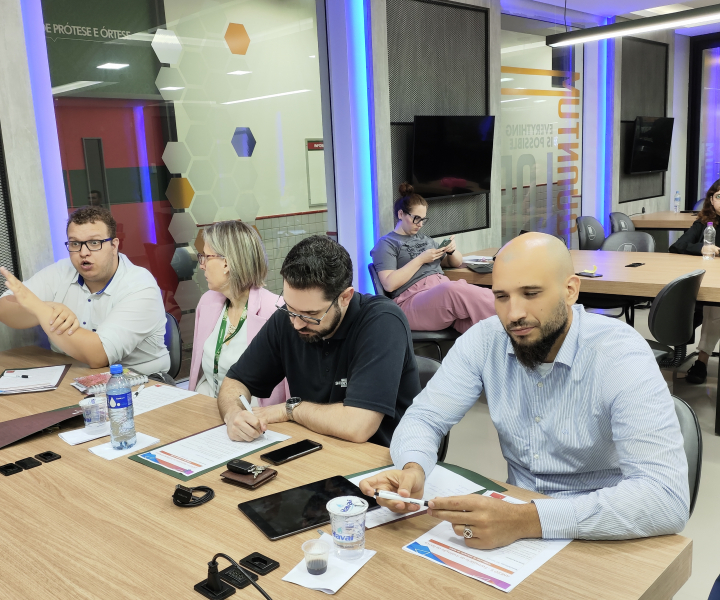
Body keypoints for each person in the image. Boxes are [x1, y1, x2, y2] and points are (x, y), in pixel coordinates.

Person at [360, 232, 689, 548]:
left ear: (570, 290)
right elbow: (425, 418)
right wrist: (413, 468)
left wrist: (526, 520)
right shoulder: (484, 340)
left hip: (602, 526)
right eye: (501, 297)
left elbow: (665, 498)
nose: (513, 314)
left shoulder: (619, 355)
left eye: (531, 294)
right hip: (515, 523)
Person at [217, 235, 420, 447]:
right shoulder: (287, 319)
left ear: (345, 297)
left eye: (311, 315)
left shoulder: (383, 321)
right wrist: (233, 415)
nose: (296, 324)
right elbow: (235, 381)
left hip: (380, 456)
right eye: (290, 309)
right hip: (315, 446)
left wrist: (290, 409)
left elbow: (357, 426)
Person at [0, 206, 169, 374]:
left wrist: (39, 308)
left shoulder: (139, 285)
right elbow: (1, 310)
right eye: (75, 244)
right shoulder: (61, 271)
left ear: (114, 246)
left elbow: (98, 356)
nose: (83, 252)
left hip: (140, 380)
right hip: (73, 374)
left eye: (94, 243)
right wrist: (49, 307)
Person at [370, 183, 495, 333]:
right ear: (401, 214)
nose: (420, 224)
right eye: (416, 218)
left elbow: (455, 262)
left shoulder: (425, 239)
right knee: (454, 290)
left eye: (423, 219)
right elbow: (389, 284)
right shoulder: (386, 243)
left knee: (481, 326)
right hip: (411, 301)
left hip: (439, 296)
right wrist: (420, 259)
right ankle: (510, 312)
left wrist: (452, 251)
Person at [189, 220, 288, 404]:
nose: (201, 265)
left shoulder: (276, 311)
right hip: (208, 406)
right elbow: (202, 374)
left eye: (206, 257)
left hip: (253, 415)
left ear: (226, 263)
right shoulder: (207, 302)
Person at [670, 178, 720, 384]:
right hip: (706, 282)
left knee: (715, 306)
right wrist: (702, 248)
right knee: (712, 305)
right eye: (719, 196)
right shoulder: (703, 223)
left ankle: (701, 361)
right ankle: (697, 360)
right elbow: (677, 246)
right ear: (711, 199)